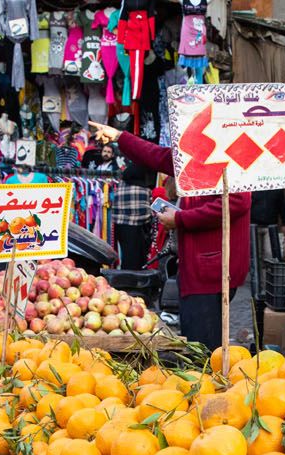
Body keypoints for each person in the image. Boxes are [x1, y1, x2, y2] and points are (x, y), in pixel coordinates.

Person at [89, 121, 250, 350]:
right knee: (196, 338)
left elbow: (236, 202)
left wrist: (180, 218)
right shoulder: (198, 156)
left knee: (202, 346)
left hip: (212, 268)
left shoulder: (228, 159)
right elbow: (158, 156)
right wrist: (119, 136)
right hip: (199, 266)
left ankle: (209, 383)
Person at [112, 163, 153, 269]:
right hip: (136, 229)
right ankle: (134, 279)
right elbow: (146, 213)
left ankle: (124, 274)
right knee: (135, 258)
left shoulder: (120, 186)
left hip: (119, 227)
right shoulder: (143, 190)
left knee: (124, 254)